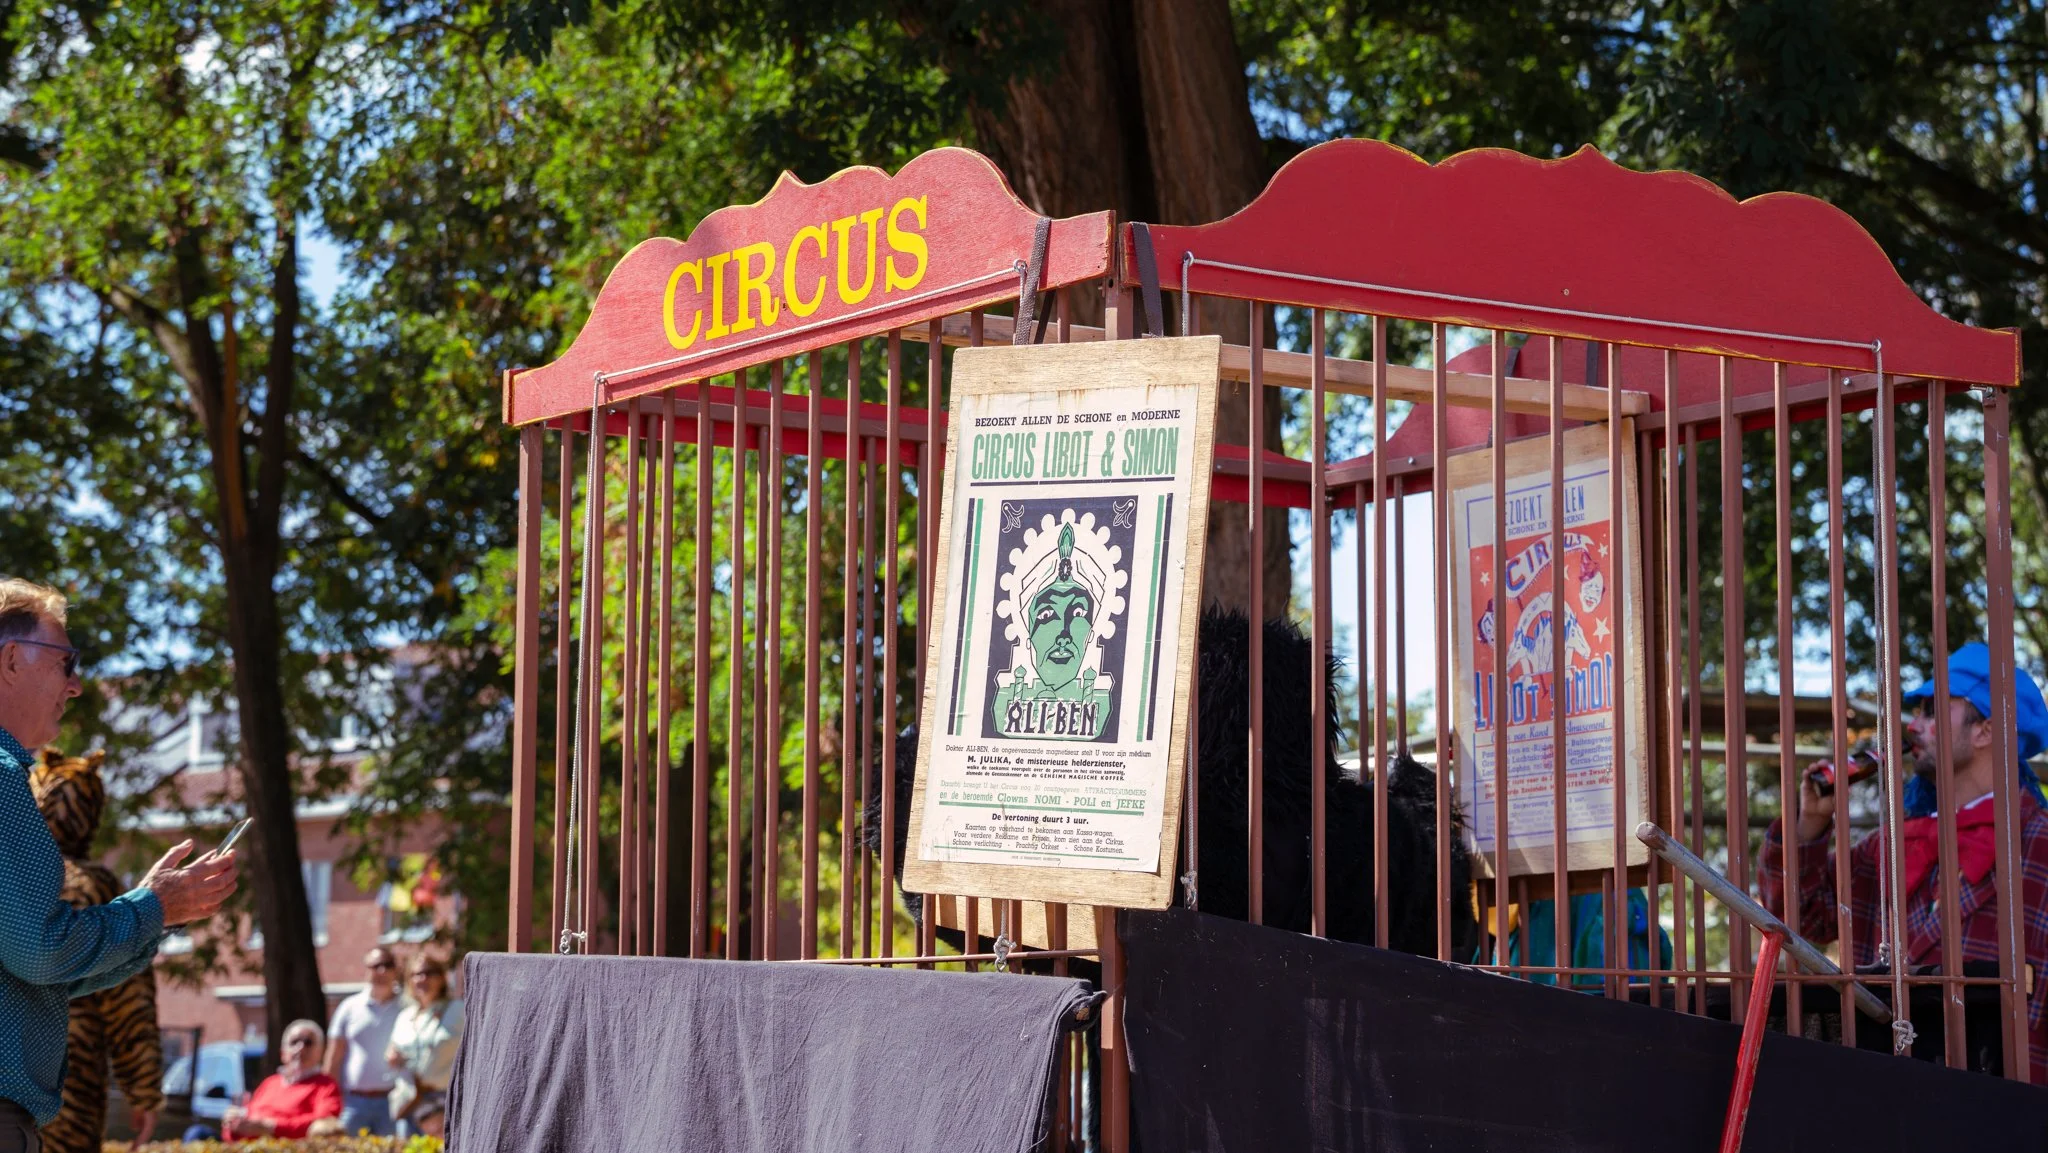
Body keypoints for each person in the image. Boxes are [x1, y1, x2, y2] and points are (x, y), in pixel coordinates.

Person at [0, 579, 239, 1153]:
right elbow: (44, 952)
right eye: (67, 661)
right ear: (11, 659)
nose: (76, 685)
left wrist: (159, 911)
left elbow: (42, 968)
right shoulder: (4, 779)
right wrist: (155, 906)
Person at [1759, 641, 2048, 1081]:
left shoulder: (2040, 842)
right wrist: (1811, 825)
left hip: (2011, 1109)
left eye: (1932, 711)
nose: (1915, 726)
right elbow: (1798, 922)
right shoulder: (1891, 845)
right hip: (1887, 1098)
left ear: (1985, 730)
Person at [29, 748, 162, 1153]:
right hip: (69, 1082)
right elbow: (128, 1002)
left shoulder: (12, 881)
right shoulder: (99, 887)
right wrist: (144, 1091)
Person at [324, 947, 405, 1136]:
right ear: (366, 970)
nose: (382, 971)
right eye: (376, 966)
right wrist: (328, 1100)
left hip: (395, 1101)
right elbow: (334, 1057)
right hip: (353, 1102)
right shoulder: (349, 1007)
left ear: (396, 970)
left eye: (387, 965)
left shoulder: (408, 1007)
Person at [219, 1020, 342, 1141]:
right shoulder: (270, 1083)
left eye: (308, 1042)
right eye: (294, 1042)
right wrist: (233, 1126)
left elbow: (325, 1126)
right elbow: (245, 1124)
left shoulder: (326, 1085)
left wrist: (272, 1127)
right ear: (283, 1053)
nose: (301, 1048)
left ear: (320, 1052)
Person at [386, 956, 464, 1139]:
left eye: (429, 973)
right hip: (410, 1101)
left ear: (441, 978)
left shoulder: (458, 1010)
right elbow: (393, 1049)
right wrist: (392, 1056)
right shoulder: (405, 1016)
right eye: (415, 974)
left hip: (443, 1101)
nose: (422, 979)